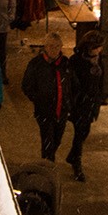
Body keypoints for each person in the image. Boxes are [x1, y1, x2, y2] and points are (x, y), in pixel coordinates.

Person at [20, 31, 71, 163]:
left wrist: (69, 101)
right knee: (48, 141)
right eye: (50, 46)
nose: (54, 49)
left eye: (57, 46)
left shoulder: (65, 63)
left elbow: (72, 84)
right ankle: (48, 165)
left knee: (57, 139)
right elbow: (26, 85)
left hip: (62, 109)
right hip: (44, 111)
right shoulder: (36, 64)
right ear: (45, 47)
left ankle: (48, 161)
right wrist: (38, 99)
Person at [66, 30, 106, 181]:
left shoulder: (98, 59)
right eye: (98, 47)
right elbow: (72, 83)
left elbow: (100, 80)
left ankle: (73, 156)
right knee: (80, 133)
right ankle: (77, 164)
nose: (100, 50)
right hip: (80, 103)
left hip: (92, 102)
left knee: (84, 132)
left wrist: (99, 98)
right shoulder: (76, 61)